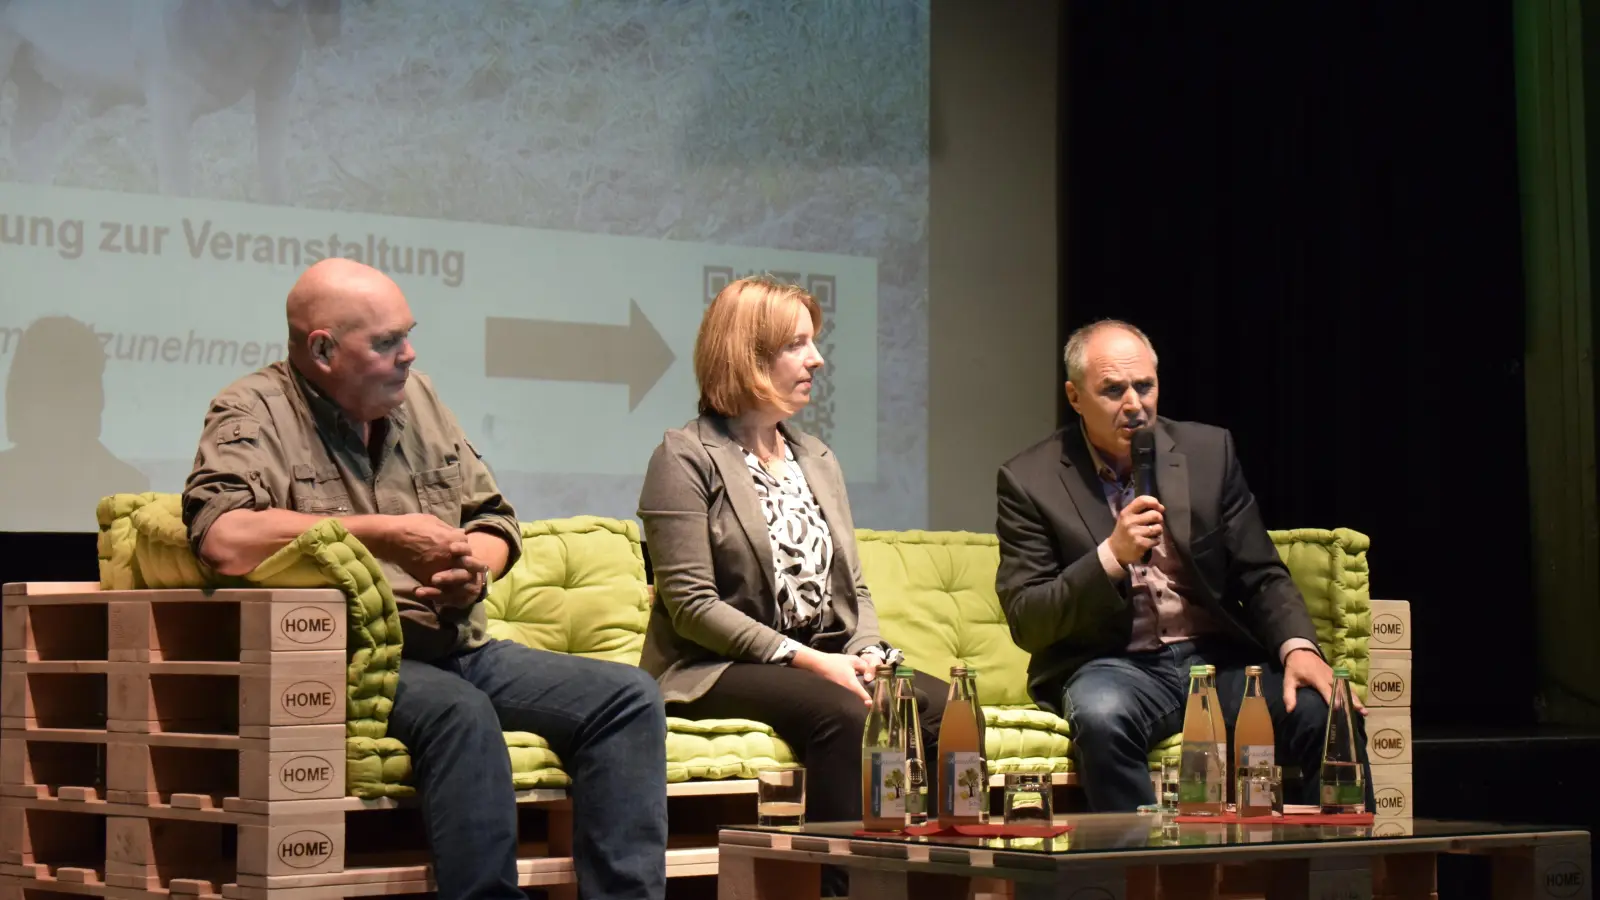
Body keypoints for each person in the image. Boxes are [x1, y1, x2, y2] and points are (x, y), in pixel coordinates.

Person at [181, 258, 668, 900]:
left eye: (408, 335)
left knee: (626, 697)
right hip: (351, 659)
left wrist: (475, 570)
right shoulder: (254, 410)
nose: (408, 355)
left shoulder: (422, 403)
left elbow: (494, 521)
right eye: (386, 343)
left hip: (456, 644)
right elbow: (223, 537)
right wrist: (381, 533)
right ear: (322, 350)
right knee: (459, 714)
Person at [994, 319, 1369, 812]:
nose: (1134, 405)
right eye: (1112, 390)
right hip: (1112, 666)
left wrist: (1299, 648)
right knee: (1101, 719)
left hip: (1215, 661)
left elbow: (1260, 573)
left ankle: (1341, 877)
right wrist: (1111, 557)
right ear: (1075, 396)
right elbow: (1029, 616)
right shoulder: (1029, 481)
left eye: (1144, 386)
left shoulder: (1208, 453)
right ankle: (1146, 874)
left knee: (1325, 710)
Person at [637, 275, 945, 862]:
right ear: (748, 356)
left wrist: (869, 650)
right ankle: (837, 883)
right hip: (714, 665)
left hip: (819, 656)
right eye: (796, 345)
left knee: (936, 707)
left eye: (813, 342)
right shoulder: (683, 457)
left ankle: (921, 876)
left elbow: (852, 585)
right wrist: (814, 663)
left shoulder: (815, 457)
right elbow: (693, 607)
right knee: (841, 711)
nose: (817, 359)